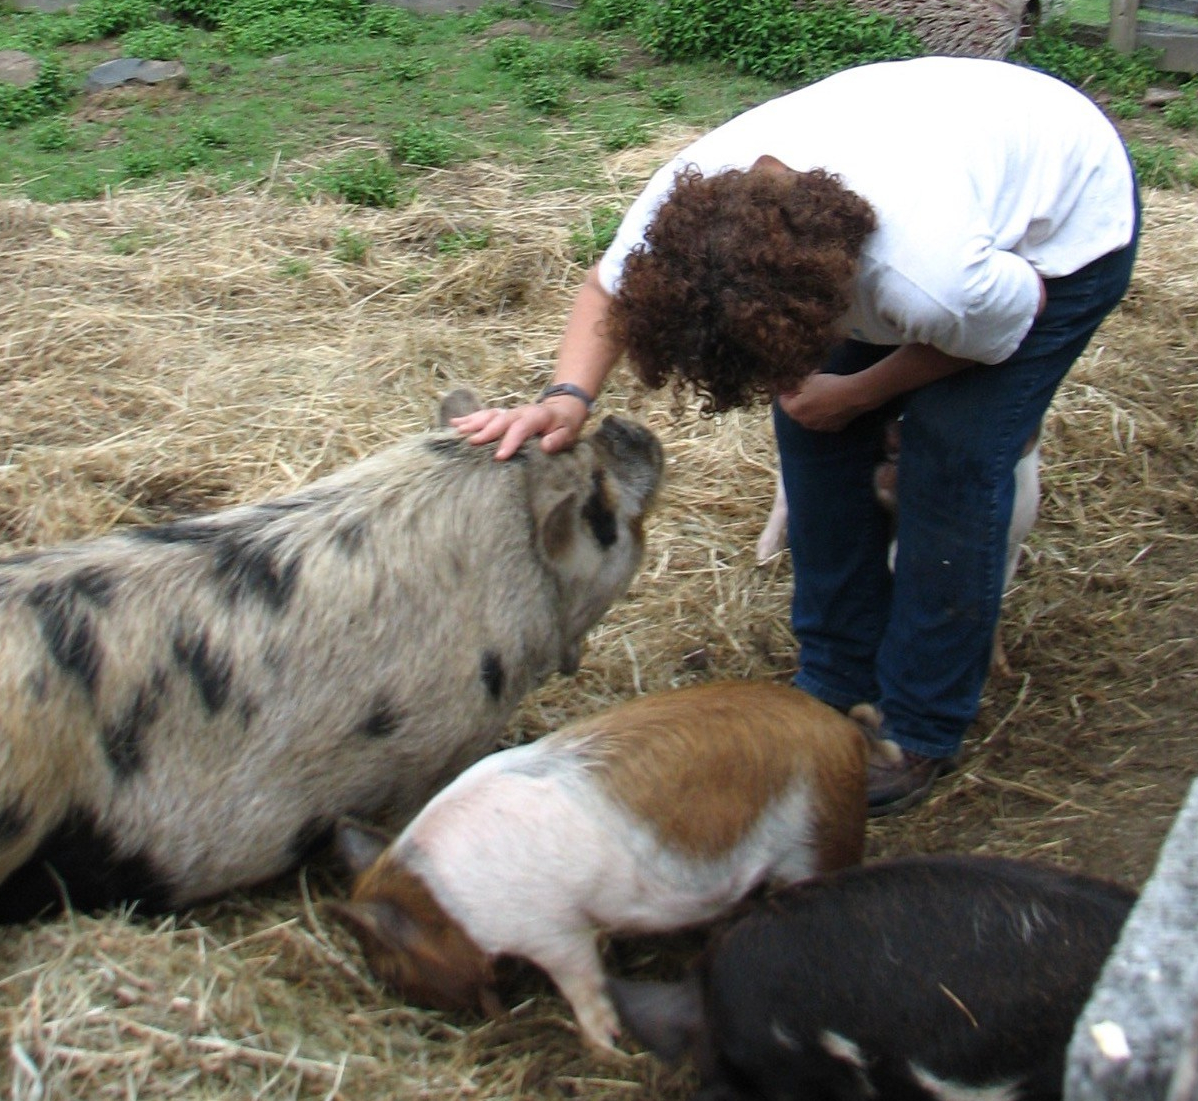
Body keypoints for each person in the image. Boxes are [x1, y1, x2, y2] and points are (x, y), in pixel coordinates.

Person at [452, 55, 1139, 817]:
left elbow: (1008, 323)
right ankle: (836, 676)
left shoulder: (931, 277)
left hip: (1060, 234)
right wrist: (568, 397)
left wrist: (857, 391)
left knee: (950, 460)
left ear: (829, 299)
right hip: (932, 152)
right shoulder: (696, 207)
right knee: (808, 427)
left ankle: (918, 725)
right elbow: (605, 288)